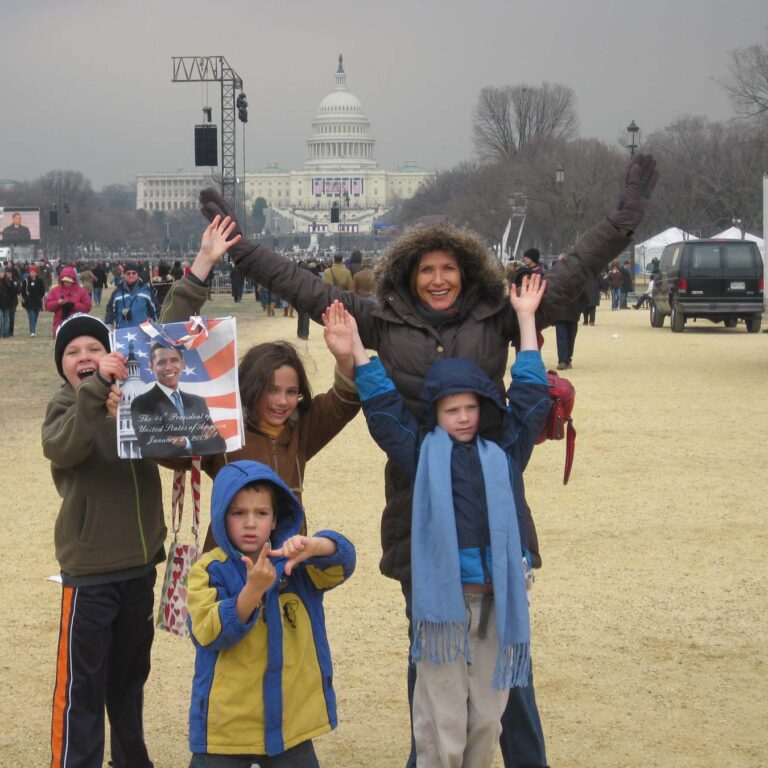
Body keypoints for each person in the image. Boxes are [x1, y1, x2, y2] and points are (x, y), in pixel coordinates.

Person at [197, 153, 659, 768]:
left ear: (465, 272)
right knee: (431, 647)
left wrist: (624, 219)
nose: (437, 279)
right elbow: (302, 287)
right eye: (425, 269)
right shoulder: (381, 323)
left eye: (447, 268)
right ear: (408, 276)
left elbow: (574, 273)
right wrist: (243, 249)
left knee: (508, 657)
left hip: (491, 501)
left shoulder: (497, 318)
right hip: (419, 500)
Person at [335, 274, 549, 768]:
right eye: (452, 409)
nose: (464, 418)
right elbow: (386, 412)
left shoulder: (503, 453)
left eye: (471, 407)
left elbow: (532, 398)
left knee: (489, 717)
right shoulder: (422, 453)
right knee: (440, 716)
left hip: (497, 598)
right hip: (444, 608)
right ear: (436, 413)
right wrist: (361, 351)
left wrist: (526, 318)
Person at [160, 215, 362, 548]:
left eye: (291, 392)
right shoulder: (221, 431)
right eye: (272, 391)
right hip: (227, 570)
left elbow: (344, 400)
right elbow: (170, 347)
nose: (283, 401)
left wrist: (344, 358)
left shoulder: (301, 429)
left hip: (287, 566)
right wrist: (201, 267)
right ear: (251, 389)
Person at [42, 313, 166, 768]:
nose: (84, 358)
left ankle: (132, 760)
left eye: (94, 348)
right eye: (72, 353)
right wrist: (95, 394)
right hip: (91, 574)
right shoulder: (64, 406)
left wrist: (199, 270)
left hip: (140, 566)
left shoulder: (133, 398)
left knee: (130, 678)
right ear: (62, 367)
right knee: (83, 685)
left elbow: (165, 334)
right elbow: (63, 448)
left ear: (113, 354)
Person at [186, 459, 356, 767]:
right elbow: (207, 632)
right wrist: (252, 592)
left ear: (276, 519)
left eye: (261, 513)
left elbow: (342, 565)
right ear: (222, 517)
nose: (250, 523)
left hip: (290, 728)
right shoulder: (209, 569)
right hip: (225, 731)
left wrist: (317, 545)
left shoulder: (296, 564)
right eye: (238, 513)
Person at [130, 343, 227, 458]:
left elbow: (220, 445)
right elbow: (152, 448)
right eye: (161, 362)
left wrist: (184, 442)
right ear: (152, 367)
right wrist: (200, 441)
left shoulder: (198, 402)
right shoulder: (141, 403)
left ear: (182, 363)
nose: (169, 367)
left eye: (174, 360)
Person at [551, 256, 586, 370]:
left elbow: (584, 294)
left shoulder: (577, 276)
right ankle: (562, 360)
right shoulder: (554, 276)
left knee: (571, 337)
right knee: (562, 337)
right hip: (560, 312)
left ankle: (568, 359)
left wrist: (581, 308)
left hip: (573, 312)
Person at [105, 263, 156, 329]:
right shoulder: (117, 292)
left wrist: (155, 325)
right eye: (128, 273)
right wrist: (108, 325)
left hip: (143, 333)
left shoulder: (146, 290)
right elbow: (110, 310)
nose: (131, 275)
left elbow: (155, 309)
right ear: (124, 275)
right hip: (123, 332)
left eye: (133, 273)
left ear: (137, 274)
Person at [44, 267, 92, 338]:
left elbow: (87, 307)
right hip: (59, 323)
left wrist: (73, 305)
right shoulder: (55, 290)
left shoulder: (81, 291)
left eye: (69, 281)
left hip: (77, 324)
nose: (67, 283)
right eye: (65, 281)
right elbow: (47, 305)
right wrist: (58, 303)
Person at [0, 266, 19, 339]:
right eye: (0, 272)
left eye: (2, 272)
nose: (1, 274)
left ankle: (6, 333)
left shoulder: (8, 282)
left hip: (7, 304)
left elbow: (13, 292)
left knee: (6, 320)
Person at [21, 265, 46, 337]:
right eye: (31, 272)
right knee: (31, 316)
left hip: (37, 302)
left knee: (35, 316)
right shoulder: (26, 281)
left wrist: (40, 297)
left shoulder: (40, 281)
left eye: (34, 272)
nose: (32, 273)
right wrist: (26, 297)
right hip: (29, 302)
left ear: (36, 273)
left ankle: (33, 328)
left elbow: (42, 290)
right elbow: (22, 291)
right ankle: (32, 331)